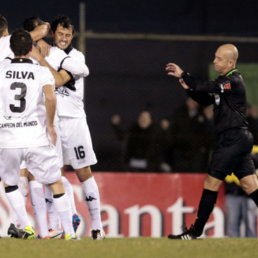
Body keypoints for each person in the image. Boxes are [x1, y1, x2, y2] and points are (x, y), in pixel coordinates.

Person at [165, 43, 258, 239]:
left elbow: (208, 87)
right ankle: (195, 232)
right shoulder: (225, 83)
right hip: (239, 139)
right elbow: (207, 99)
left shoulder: (233, 81)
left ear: (231, 62)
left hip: (232, 139)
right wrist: (189, 89)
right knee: (251, 186)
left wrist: (185, 75)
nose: (214, 61)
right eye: (215, 57)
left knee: (211, 183)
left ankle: (194, 233)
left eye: (219, 58)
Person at [0, 29, 76, 240]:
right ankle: (69, 234)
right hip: (36, 136)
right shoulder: (41, 72)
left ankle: (26, 226)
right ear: (31, 48)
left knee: (10, 182)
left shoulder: (1, 70)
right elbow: (51, 98)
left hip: (8, 137)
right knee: (55, 182)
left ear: (11, 48)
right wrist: (50, 126)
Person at [49, 15, 105, 240]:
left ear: (73, 36)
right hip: (52, 122)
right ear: (53, 33)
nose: (63, 38)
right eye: (60, 34)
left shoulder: (76, 56)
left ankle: (98, 227)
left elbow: (59, 80)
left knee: (84, 173)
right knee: (53, 174)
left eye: (68, 35)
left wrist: (46, 59)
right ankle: (64, 221)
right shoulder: (47, 51)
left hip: (74, 121)